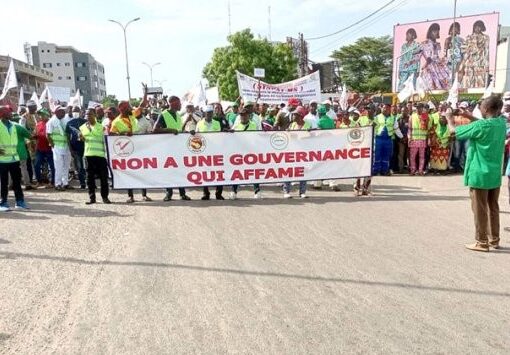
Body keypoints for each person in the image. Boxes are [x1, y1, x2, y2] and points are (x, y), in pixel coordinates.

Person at [447, 94, 506, 252]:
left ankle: (481, 241)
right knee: (493, 207)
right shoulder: (501, 123)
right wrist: (469, 116)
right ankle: (494, 239)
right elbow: (485, 124)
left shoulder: (481, 126)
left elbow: (453, 132)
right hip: (494, 173)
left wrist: (448, 118)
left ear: (486, 108)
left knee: (480, 208)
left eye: (481, 106)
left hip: (479, 173)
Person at [153, 96, 191, 201]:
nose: (180, 105)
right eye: (179, 103)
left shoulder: (178, 116)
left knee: (180, 171)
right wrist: (169, 130)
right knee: (169, 171)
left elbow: (178, 130)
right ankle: (168, 193)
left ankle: (182, 193)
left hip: (178, 148)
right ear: (172, 103)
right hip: (167, 149)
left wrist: (185, 133)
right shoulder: (164, 115)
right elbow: (155, 129)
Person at [0, 106, 29, 211]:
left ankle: (20, 202)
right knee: (3, 183)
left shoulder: (13, 126)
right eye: (8, 112)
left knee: (17, 182)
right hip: (2, 160)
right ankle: (3, 203)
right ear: (2, 114)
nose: (11, 114)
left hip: (14, 159)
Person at [79, 108, 110, 205]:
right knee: (89, 178)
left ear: (95, 115)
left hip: (100, 156)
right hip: (88, 155)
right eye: (87, 115)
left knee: (103, 178)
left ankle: (105, 197)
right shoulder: (82, 127)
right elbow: (84, 140)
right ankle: (92, 198)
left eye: (90, 114)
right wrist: (81, 137)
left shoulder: (101, 127)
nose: (88, 116)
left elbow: (101, 137)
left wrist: (90, 129)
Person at [231, 107, 261, 199]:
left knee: (254, 172)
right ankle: (234, 191)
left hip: (251, 152)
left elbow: (258, 137)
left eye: (245, 115)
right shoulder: (236, 127)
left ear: (248, 116)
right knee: (237, 172)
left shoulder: (254, 125)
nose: (243, 117)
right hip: (239, 153)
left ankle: (257, 191)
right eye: (241, 115)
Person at [196, 105, 224, 200]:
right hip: (204, 152)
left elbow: (220, 136)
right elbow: (196, 137)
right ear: (204, 113)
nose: (209, 114)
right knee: (205, 172)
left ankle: (218, 193)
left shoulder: (217, 123)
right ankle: (206, 193)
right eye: (207, 113)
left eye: (211, 113)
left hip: (216, 151)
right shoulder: (199, 124)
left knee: (219, 172)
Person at [283, 106, 309, 198]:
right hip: (292, 152)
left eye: (295, 114)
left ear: (300, 116)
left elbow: (312, 138)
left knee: (303, 172)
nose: (293, 116)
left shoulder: (307, 125)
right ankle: (286, 191)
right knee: (289, 171)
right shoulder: (292, 125)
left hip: (303, 152)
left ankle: (302, 192)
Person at [46, 105, 72, 190]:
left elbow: (68, 133)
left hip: (66, 146)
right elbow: (48, 135)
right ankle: (58, 184)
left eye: (64, 111)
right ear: (56, 112)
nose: (64, 112)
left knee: (66, 165)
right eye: (61, 111)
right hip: (57, 147)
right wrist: (53, 145)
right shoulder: (51, 122)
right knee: (59, 166)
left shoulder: (65, 120)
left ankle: (65, 183)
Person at [373, 104, 403, 176]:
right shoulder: (377, 117)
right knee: (377, 155)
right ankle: (376, 170)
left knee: (387, 155)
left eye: (387, 108)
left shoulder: (393, 118)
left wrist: (402, 137)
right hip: (378, 139)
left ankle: (384, 170)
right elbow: (372, 127)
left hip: (388, 139)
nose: (385, 109)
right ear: (381, 108)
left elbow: (396, 129)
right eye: (384, 108)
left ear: (390, 109)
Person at [459, 20, 490, 88]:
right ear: (474, 27)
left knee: (480, 81)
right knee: (469, 81)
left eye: (479, 27)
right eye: (476, 26)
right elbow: (464, 50)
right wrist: (462, 64)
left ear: (482, 28)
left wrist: (487, 64)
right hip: (470, 62)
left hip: (480, 62)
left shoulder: (486, 37)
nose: (477, 28)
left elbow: (487, 51)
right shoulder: (469, 37)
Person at [420, 23, 451, 90]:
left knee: (446, 78)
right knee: (431, 84)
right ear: (430, 32)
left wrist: (445, 60)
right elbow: (423, 56)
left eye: (437, 31)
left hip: (438, 64)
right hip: (430, 66)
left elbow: (439, 56)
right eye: (434, 31)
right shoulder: (424, 43)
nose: (436, 33)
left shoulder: (438, 44)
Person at [33, 108, 55, 188]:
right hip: (40, 149)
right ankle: (39, 181)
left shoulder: (51, 123)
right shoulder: (38, 124)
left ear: (47, 115)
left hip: (49, 149)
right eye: (40, 115)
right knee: (36, 165)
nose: (40, 116)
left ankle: (53, 182)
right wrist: (35, 136)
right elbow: (35, 134)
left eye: (42, 114)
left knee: (52, 166)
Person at [66, 106, 87, 189]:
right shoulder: (69, 123)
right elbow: (67, 137)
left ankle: (90, 182)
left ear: (81, 112)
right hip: (75, 147)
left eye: (77, 110)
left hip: (86, 146)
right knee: (79, 166)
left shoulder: (85, 122)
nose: (75, 112)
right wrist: (70, 149)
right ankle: (82, 183)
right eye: (74, 111)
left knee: (87, 166)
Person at [408, 103, 429, 175]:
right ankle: (413, 170)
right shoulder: (412, 116)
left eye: (420, 108)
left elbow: (427, 127)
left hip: (422, 139)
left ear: (422, 108)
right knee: (412, 156)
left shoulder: (425, 116)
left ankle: (420, 170)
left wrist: (424, 120)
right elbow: (409, 128)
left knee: (422, 157)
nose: (418, 109)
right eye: (417, 108)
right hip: (414, 139)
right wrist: (409, 138)